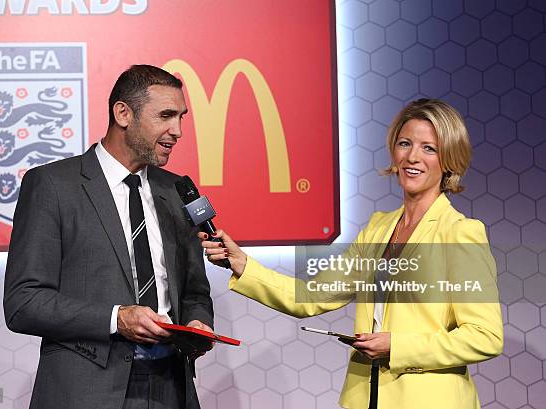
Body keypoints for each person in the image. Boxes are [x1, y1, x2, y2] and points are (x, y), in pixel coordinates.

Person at [201, 98, 504, 409]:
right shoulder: (378, 228)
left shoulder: (460, 232)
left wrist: (397, 347)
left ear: (449, 159)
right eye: (405, 143)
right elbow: (311, 296)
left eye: (429, 148)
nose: (413, 156)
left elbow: (484, 337)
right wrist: (242, 264)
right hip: (365, 399)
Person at [4, 65, 214, 409]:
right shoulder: (52, 186)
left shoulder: (177, 192)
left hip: (172, 389)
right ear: (123, 113)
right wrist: (117, 318)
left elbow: (195, 292)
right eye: (165, 116)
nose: (177, 130)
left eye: (181, 117)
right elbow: (23, 303)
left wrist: (197, 324)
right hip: (86, 391)